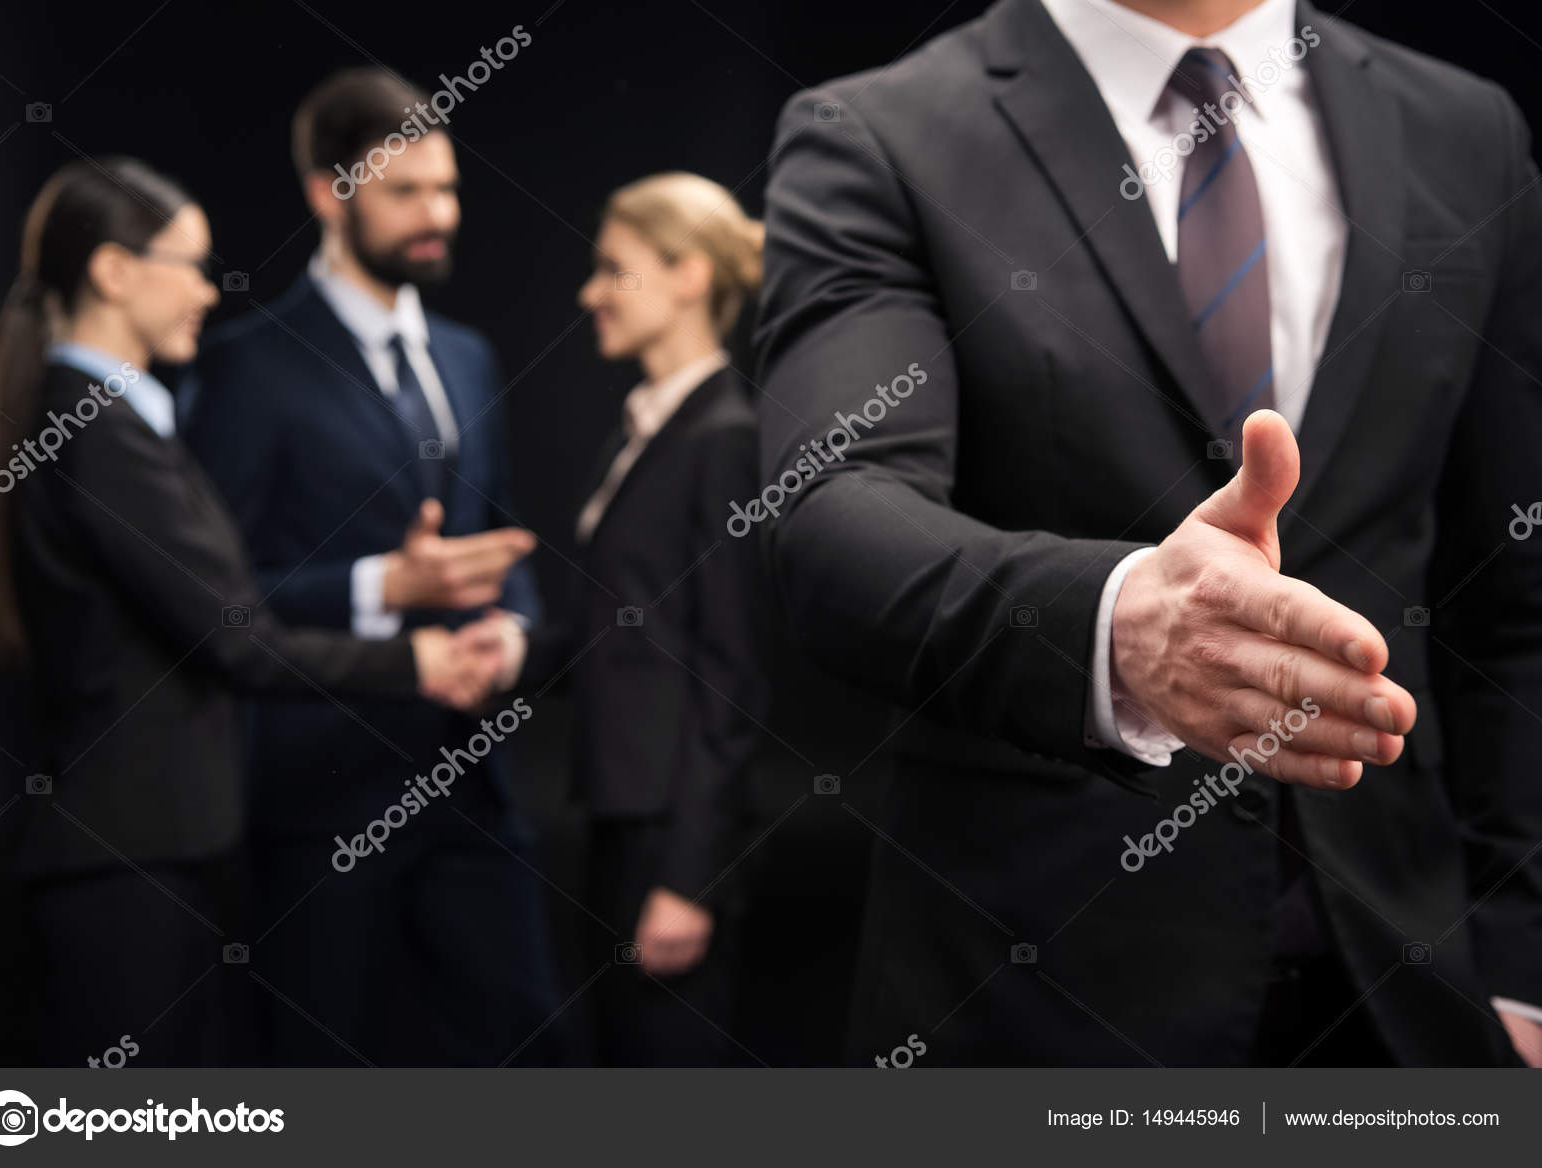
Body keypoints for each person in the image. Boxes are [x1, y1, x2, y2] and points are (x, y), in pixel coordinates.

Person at [752, 0, 1542, 1066]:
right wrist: (1118, 624)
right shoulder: (880, 132)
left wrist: (1521, 969)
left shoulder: (1463, 126)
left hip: (1412, 1001)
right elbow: (832, 511)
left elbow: (1513, 594)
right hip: (1037, 997)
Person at [0, 157, 508, 1067]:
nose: (206, 293)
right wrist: (416, 662)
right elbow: (236, 637)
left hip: (150, 848)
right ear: (113, 271)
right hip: (126, 856)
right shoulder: (97, 432)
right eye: (189, 263)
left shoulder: (116, 424)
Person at [182, 68, 564, 1066]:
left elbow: (502, 537)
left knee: (523, 1040)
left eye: (446, 189)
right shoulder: (243, 363)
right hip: (322, 795)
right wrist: (381, 588)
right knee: (327, 1061)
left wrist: (511, 630)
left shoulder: (470, 355)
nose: (436, 214)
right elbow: (220, 600)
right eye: (405, 192)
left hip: (471, 774)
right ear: (327, 192)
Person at [554, 172, 769, 1064]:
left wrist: (691, 876)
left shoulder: (722, 437)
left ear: (687, 277)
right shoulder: (642, 429)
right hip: (619, 812)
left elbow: (735, 677)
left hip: (668, 832)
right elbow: (626, 634)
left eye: (614, 268)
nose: (589, 293)